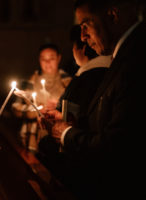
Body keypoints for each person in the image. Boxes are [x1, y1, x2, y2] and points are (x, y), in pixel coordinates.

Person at [42, 0, 146, 199]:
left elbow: (117, 147)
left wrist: (65, 133)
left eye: (86, 25)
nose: (83, 36)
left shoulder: (136, 59)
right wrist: (69, 120)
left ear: (113, 15)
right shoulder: (126, 54)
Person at [37, 25, 112, 168]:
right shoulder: (108, 73)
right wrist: (60, 115)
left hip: (83, 156)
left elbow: (81, 120)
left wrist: (60, 126)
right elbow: (82, 114)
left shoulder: (85, 78)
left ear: (82, 49)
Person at [12, 43, 71, 152]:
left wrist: (58, 107)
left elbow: (74, 110)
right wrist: (36, 110)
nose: (47, 62)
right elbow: (16, 107)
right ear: (39, 60)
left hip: (60, 139)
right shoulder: (29, 82)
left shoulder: (69, 82)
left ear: (59, 58)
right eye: (44, 59)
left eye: (51, 58)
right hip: (33, 137)